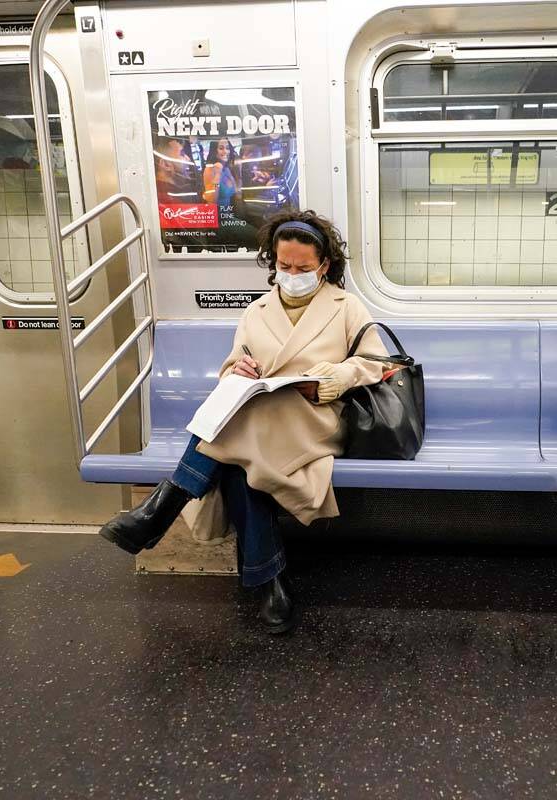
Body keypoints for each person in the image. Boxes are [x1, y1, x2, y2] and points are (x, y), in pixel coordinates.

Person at [99, 211, 388, 635]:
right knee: (238, 464)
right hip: (260, 419)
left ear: (323, 266)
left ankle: (166, 504)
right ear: (273, 261)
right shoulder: (257, 310)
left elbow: (374, 364)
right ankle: (271, 581)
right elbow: (235, 363)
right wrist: (240, 371)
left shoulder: (347, 307)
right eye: (284, 266)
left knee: (235, 432)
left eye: (303, 268)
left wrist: (330, 380)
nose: (292, 275)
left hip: (316, 418)